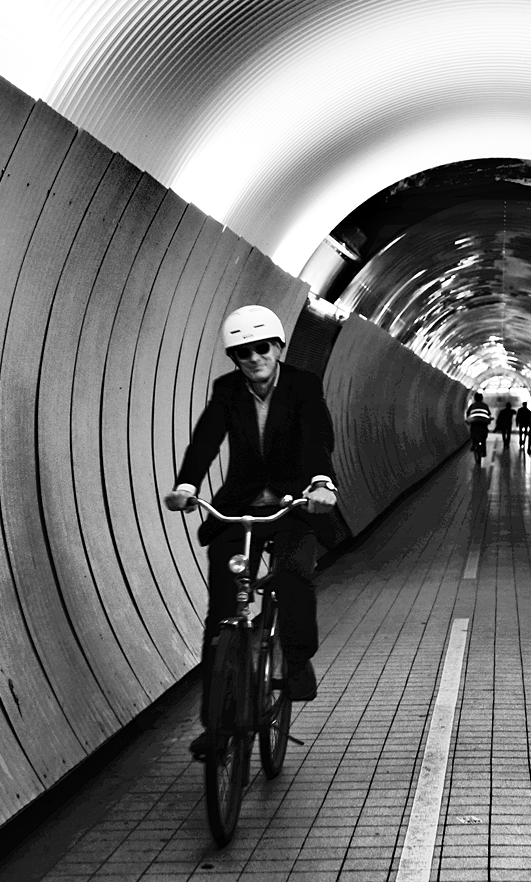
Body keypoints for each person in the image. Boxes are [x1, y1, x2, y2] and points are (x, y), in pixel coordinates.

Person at [163, 305, 338, 757]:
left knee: (295, 575)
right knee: (221, 613)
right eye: (243, 352)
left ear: (278, 347)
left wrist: (320, 482)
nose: (254, 358)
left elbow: (317, 434)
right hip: (239, 507)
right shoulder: (227, 390)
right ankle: (217, 727)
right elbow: (206, 438)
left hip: (292, 504)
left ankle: (296, 661)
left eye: (262, 348)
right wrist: (187, 483)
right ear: (234, 358)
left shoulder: (302, 384)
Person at [465, 391, 492, 465]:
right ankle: (483, 450)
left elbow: (468, 413)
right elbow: (489, 414)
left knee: (473, 433)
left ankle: (474, 445)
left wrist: (468, 420)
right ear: (482, 398)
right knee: (483, 436)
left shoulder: (472, 405)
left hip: (474, 423)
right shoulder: (485, 405)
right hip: (483, 423)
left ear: (475, 398)